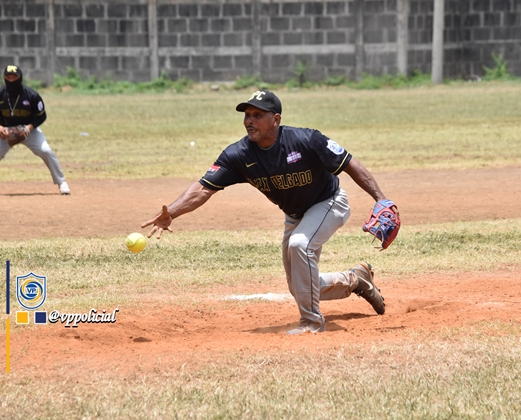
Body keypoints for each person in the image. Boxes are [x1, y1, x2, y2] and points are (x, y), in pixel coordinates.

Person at [142, 90, 394, 334]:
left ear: (276, 119)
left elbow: (349, 162)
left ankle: (312, 322)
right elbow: (203, 188)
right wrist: (172, 212)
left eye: (257, 115)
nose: (249, 121)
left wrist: (380, 199)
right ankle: (356, 280)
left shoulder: (306, 140)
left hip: (329, 203)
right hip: (295, 215)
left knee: (299, 244)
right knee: (300, 286)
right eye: (246, 115)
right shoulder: (238, 155)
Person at [0, 65, 70, 196]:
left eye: (14, 77)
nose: (11, 80)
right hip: (6, 131)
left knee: (45, 150)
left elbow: (42, 116)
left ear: (20, 78)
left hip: (29, 130)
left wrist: (29, 127)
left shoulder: (32, 95)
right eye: (8, 77)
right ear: (4, 78)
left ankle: (62, 182)